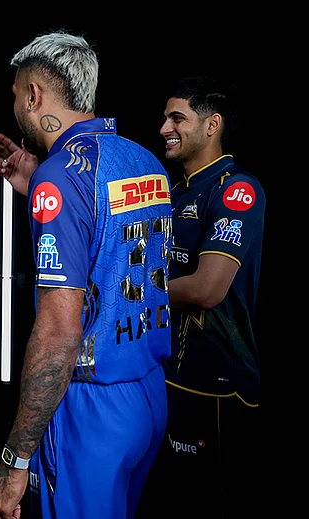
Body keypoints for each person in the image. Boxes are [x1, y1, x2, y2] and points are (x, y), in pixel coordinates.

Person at [0, 30, 173, 519]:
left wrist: (14, 460)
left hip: (91, 404)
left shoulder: (61, 176)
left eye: (16, 92)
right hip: (148, 392)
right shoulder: (141, 157)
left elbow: (59, 334)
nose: (16, 105)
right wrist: (42, 187)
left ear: (34, 95)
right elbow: (109, 243)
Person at [135, 75, 266, 519]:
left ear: (212, 125)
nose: (164, 128)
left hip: (217, 387)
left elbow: (208, 289)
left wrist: (133, 295)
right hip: (164, 376)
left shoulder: (235, 188)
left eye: (177, 118)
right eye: (164, 117)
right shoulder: (174, 192)